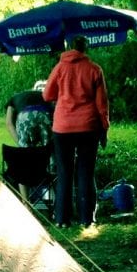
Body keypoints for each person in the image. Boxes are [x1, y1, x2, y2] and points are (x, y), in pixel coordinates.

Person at [42, 35, 110, 229]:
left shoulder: (60, 68)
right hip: (88, 127)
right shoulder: (94, 69)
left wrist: (62, 93)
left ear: (69, 48)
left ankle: (62, 219)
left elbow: (47, 95)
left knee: (64, 172)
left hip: (62, 128)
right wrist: (104, 128)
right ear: (84, 48)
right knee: (85, 173)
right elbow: (102, 104)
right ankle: (86, 219)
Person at [4, 80, 53, 200]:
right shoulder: (47, 96)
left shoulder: (14, 98)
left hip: (24, 116)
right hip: (45, 114)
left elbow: (9, 123)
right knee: (50, 156)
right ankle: (55, 201)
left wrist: (20, 143)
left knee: (23, 161)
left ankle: (26, 203)